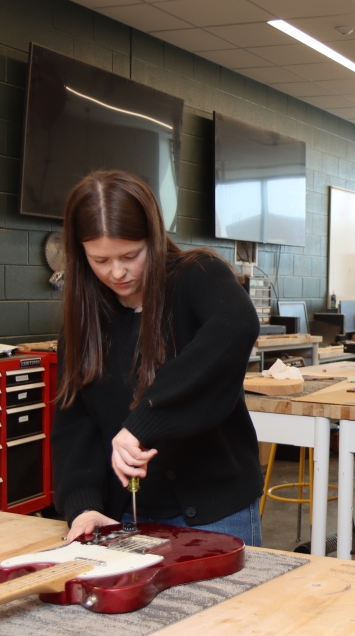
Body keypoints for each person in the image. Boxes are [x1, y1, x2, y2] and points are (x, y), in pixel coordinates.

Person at [52, 170, 263, 546]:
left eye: (131, 255)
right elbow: (75, 425)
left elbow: (236, 324)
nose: (117, 272)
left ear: (153, 236)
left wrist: (144, 422)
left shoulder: (196, 275)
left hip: (216, 515)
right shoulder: (84, 320)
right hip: (122, 517)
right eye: (100, 260)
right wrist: (82, 505)